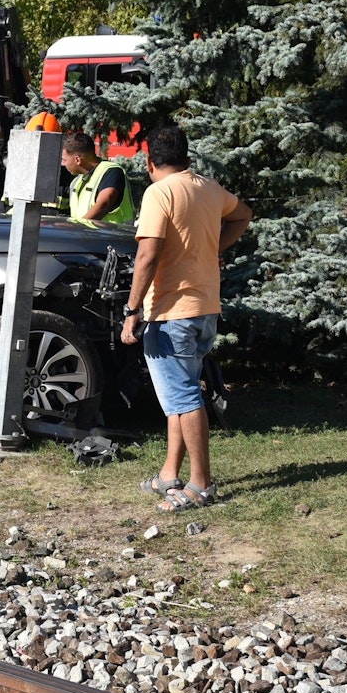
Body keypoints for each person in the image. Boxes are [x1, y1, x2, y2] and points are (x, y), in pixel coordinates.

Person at [120, 125, 252, 513]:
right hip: (206, 308)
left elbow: (147, 255)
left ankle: (201, 484)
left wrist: (132, 311)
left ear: (150, 163)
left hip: (170, 314)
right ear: (187, 158)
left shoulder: (158, 192)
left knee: (184, 397)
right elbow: (243, 215)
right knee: (180, 393)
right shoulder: (208, 187)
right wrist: (214, 248)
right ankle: (168, 474)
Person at [62, 133, 135, 223]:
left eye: (64, 160)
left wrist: (78, 226)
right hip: (84, 235)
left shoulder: (111, 172)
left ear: (78, 160)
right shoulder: (76, 182)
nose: (63, 164)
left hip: (112, 235)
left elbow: (104, 205)